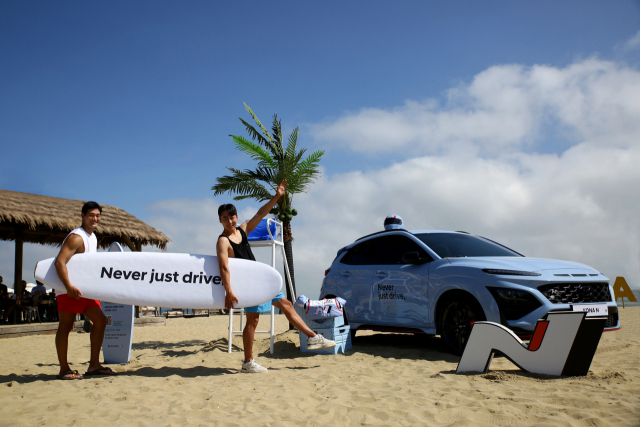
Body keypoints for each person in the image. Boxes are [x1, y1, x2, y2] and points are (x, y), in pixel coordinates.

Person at [217, 179, 336, 374]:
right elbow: (224, 267)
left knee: (287, 304)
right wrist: (228, 291)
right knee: (253, 321)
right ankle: (248, 362)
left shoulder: (242, 230)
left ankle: (313, 337)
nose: (229, 221)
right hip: (248, 285)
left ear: (236, 217)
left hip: (261, 281)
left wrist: (278, 196)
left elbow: (260, 213)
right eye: (225, 218)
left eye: (231, 217)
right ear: (220, 220)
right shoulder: (223, 241)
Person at [53, 201, 117, 380]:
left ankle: (94, 365)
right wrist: (68, 286)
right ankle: (64, 369)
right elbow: (60, 262)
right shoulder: (76, 237)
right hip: (69, 290)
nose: (95, 218)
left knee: (101, 321)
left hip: (86, 291)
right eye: (91, 215)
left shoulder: (93, 237)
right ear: (83, 216)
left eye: (97, 215)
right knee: (66, 326)